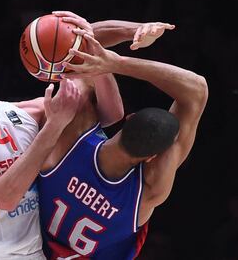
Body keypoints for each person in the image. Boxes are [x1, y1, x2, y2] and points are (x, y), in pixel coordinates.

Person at [0, 12, 175, 259]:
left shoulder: (26, 113)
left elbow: (110, 114)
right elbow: (3, 197)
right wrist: (54, 125)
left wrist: (125, 34)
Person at [37, 33, 208, 259]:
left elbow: (81, 46)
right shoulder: (149, 191)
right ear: (152, 157)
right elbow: (197, 90)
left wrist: (113, 62)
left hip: (27, 246)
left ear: (129, 118)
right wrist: (115, 63)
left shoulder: (72, 135)